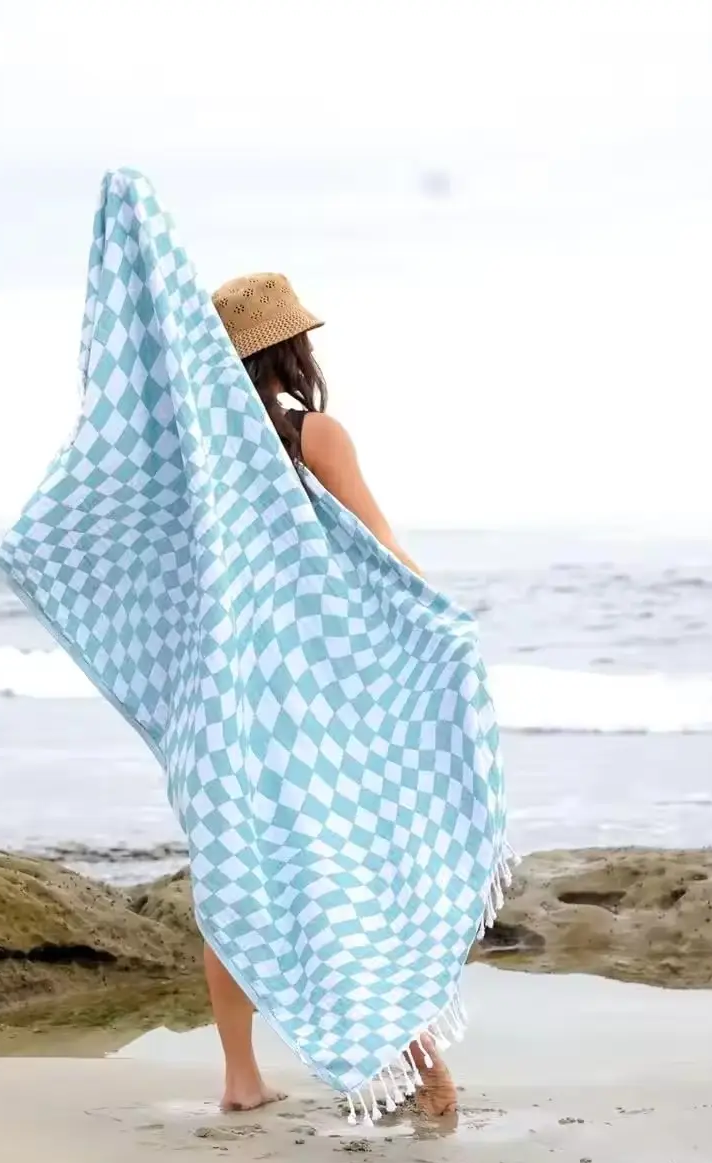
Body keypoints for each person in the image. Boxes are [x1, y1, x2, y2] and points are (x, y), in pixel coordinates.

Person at [206, 272, 458, 1119]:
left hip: (224, 692)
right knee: (351, 863)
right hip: (312, 693)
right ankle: (424, 1069)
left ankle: (240, 1079)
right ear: (292, 347)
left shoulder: (200, 455)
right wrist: (445, 627)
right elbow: (381, 547)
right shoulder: (309, 434)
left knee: (235, 874)